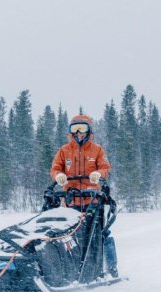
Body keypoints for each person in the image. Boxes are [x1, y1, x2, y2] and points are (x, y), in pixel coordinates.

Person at [50, 114, 118, 277]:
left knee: (100, 234)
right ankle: (73, 271)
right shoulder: (64, 151)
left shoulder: (97, 150)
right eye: (75, 129)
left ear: (89, 130)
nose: (79, 132)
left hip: (92, 201)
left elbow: (105, 167)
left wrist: (98, 174)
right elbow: (55, 168)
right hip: (71, 201)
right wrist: (58, 176)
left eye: (82, 128)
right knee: (70, 236)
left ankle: (111, 268)